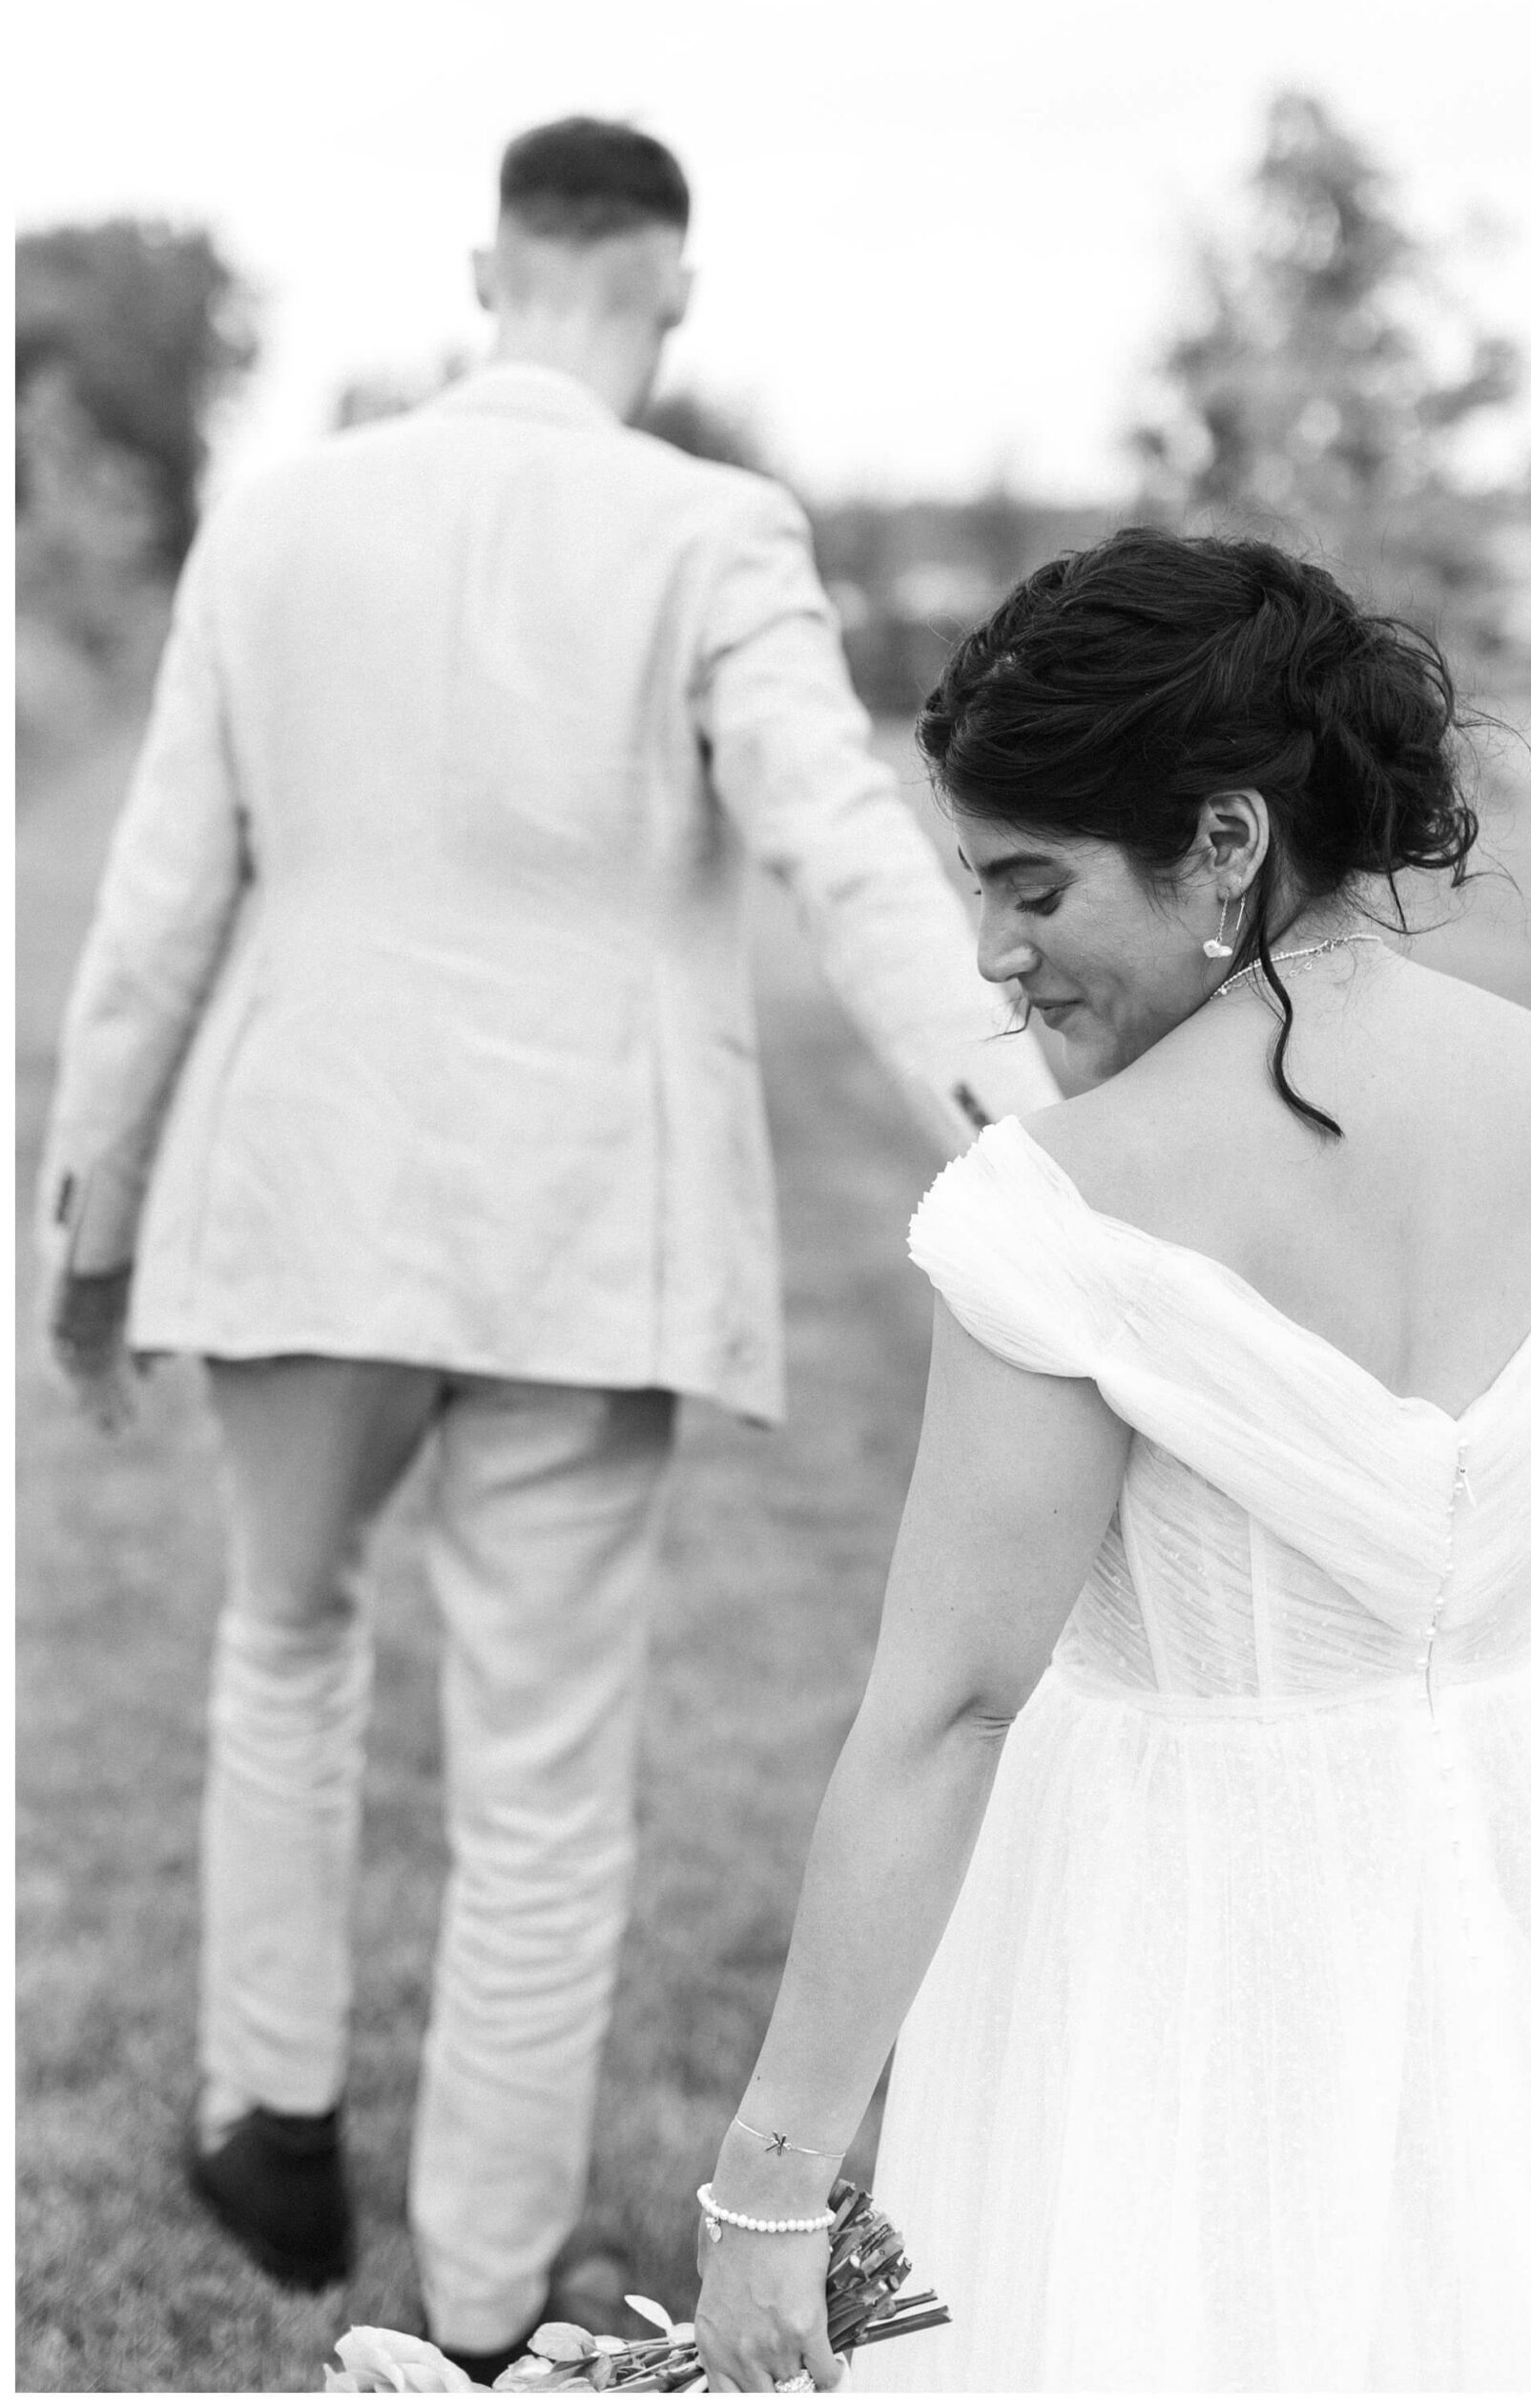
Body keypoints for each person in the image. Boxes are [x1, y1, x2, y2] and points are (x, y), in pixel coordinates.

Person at [35, 117, 1058, 2379]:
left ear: (483, 266)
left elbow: (160, 908)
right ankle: (486, 2295)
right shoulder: (711, 528)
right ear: (667, 293)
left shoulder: (280, 521)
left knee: (279, 1643)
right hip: (583, 1221)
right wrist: (1029, 1120)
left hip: (297, 1185)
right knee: (542, 1772)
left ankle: (267, 2128)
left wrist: (91, 1216)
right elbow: (846, 851)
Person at [693, 529, 1531, 2394]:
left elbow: (950, 1706)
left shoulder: (1064, 1202)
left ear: (1220, 842)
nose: (988, 952)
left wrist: (772, 2180)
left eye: (1031, 885)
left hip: (1178, 1927)